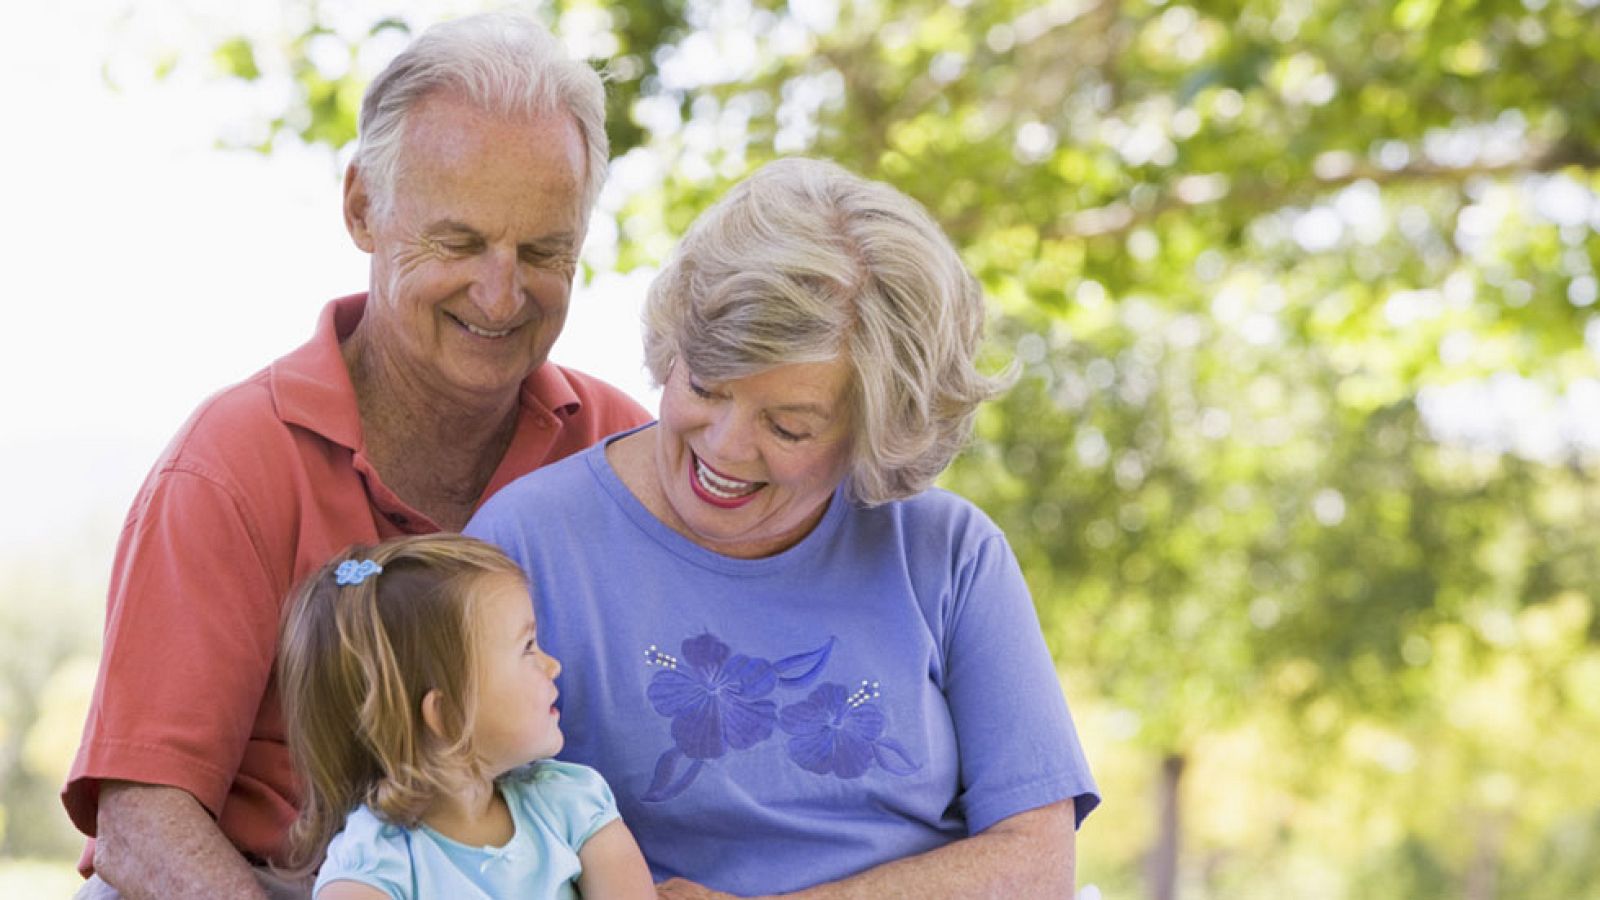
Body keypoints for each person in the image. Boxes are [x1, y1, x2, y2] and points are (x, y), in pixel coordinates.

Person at [62, 13, 650, 899]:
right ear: (362, 209)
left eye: (543, 251)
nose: (501, 292)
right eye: (457, 242)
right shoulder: (230, 464)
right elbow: (142, 818)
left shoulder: (621, 448)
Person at [466, 157, 1100, 898]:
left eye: (789, 425)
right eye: (706, 385)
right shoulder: (527, 544)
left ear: (876, 432)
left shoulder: (946, 553)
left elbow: (1035, 864)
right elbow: (457, 832)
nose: (727, 446)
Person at [277, 534, 654, 899]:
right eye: (527, 648)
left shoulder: (573, 805)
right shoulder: (373, 867)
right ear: (448, 716)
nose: (553, 666)